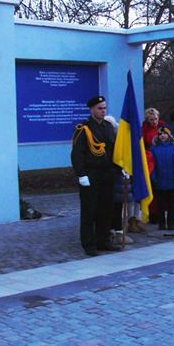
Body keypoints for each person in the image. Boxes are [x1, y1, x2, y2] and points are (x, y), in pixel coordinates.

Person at [71, 96, 120, 256]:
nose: (103, 111)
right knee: (89, 210)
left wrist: (120, 168)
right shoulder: (83, 128)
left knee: (106, 209)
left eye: (105, 108)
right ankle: (89, 244)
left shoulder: (108, 127)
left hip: (107, 173)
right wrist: (81, 174)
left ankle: (103, 240)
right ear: (92, 110)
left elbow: (113, 150)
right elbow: (77, 154)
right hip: (91, 174)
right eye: (100, 108)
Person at [150, 128, 174, 230]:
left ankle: (171, 223)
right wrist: (153, 177)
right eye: (160, 134)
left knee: (171, 204)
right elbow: (152, 164)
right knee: (161, 204)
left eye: (165, 134)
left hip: (171, 180)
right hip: (159, 180)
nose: (162, 135)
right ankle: (161, 223)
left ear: (169, 135)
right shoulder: (154, 148)